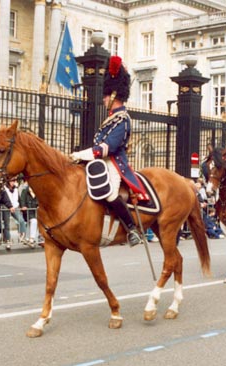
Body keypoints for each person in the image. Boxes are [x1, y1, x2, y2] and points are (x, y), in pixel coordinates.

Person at [69, 55, 145, 246]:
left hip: (114, 162)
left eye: (105, 96)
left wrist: (82, 154)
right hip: (101, 161)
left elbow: (107, 147)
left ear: (112, 96)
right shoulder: (111, 118)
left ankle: (132, 229)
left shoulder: (122, 119)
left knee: (109, 192)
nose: (103, 100)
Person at [2, 177, 27, 250]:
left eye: (14, 181)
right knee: (7, 224)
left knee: (21, 221)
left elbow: (18, 198)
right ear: (8, 181)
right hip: (6, 207)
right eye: (12, 181)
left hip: (15, 206)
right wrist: (9, 206)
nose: (13, 182)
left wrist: (21, 206)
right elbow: (4, 198)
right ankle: (8, 240)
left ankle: (22, 236)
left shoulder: (16, 189)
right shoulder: (4, 189)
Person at [20, 183, 39, 248]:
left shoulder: (37, 190)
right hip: (27, 211)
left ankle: (27, 238)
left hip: (35, 210)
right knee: (34, 221)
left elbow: (39, 200)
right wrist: (23, 206)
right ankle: (32, 239)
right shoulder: (25, 190)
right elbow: (22, 199)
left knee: (30, 224)